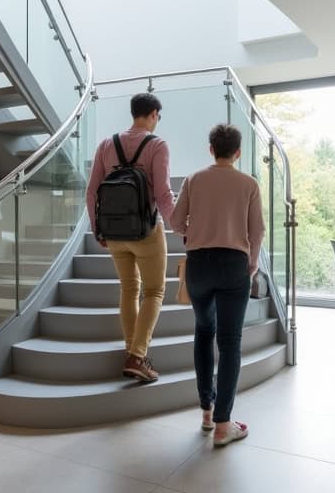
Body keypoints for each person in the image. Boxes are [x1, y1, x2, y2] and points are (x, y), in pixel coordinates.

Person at [170, 124, 265, 447]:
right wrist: (251, 264)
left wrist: (190, 234)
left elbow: (174, 221)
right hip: (233, 265)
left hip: (198, 265)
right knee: (230, 342)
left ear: (210, 149)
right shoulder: (248, 183)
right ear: (237, 152)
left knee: (203, 332)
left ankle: (207, 414)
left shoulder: (194, 179)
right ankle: (225, 426)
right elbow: (258, 231)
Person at [85, 93, 174, 383]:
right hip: (146, 231)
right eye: (158, 117)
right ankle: (137, 356)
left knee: (128, 289)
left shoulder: (106, 144)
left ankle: (132, 352)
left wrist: (97, 227)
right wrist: (179, 225)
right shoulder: (157, 145)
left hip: (113, 232)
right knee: (154, 292)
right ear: (153, 114)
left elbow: (91, 191)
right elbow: (162, 193)